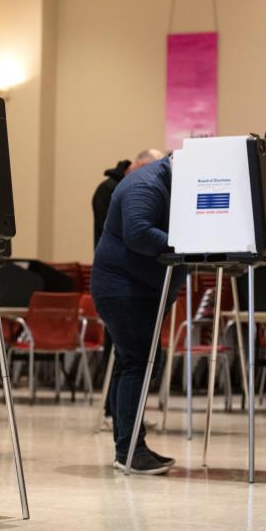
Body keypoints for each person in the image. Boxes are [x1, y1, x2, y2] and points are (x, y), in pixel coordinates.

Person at [91, 154, 182, 474]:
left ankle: (128, 448)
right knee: (140, 364)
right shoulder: (146, 184)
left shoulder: (166, 182)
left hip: (139, 288)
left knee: (132, 363)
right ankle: (130, 451)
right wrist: (186, 244)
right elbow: (139, 232)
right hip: (124, 289)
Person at [91, 149, 164, 427]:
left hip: (126, 277)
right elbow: (131, 232)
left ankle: (127, 423)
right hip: (118, 277)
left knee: (129, 359)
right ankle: (119, 421)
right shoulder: (111, 189)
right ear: (139, 166)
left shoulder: (133, 184)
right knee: (130, 358)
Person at [92, 149, 164, 249]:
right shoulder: (107, 189)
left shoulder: (138, 188)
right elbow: (112, 228)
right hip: (114, 257)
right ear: (144, 166)